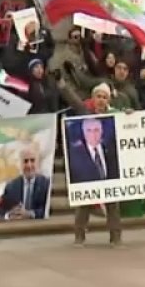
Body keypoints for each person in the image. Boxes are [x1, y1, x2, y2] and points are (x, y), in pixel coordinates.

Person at [59, 81, 123, 247]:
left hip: (107, 165)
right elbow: (74, 100)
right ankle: (79, 235)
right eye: (98, 96)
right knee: (84, 203)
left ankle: (115, 237)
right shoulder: (85, 113)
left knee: (112, 204)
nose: (101, 100)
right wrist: (63, 85)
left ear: (109, 100)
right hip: (87, 166)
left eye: (104, 97)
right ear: (93, 98)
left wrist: (131, 115)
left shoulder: (116, 115)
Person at [0, 148, 50, 221]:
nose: (29, 165)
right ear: (20, 164)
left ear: (38, 163)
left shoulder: (47, 184)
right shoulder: (11, 186)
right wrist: (9, 215)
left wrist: (30, 214)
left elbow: (49, 211)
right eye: (25, 161)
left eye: (32, 160)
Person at [67, 114, 119, 183]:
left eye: (96, 130)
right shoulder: (74, 157)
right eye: (89, 130)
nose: (93, 134)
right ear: (84, 132)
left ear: (102, 131)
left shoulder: (113, 150)